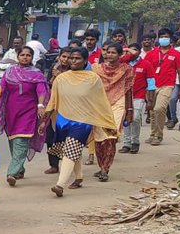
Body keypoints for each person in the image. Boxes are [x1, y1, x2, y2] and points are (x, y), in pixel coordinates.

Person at [43, 46, 119, 197]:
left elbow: (100, 101)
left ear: (85, 61)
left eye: (77, 58)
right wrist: (44, 121)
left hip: (83, 122)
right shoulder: (61, 78)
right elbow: (53, 101)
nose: (73, 61)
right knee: (71, 150)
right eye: (71, 58)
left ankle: (60, 185)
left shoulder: (92, 78)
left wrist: (107, 122)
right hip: (63, 120)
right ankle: (78, 177)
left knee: (71, 149)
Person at [0, 45, 48, 187]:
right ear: (17, 56)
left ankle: (11, 173)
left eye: (28, 55)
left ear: (32, 57)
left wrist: (40, 105)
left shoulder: (36, 74)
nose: (25, 57)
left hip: (29, 112)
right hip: (11, 112)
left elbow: (41, 90)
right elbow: (2, 90)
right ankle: (20, 168)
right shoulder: (10, 72)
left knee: (21, 140)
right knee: (13, 141)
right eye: (22, 55)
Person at [92, 41, 135, 182]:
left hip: (118, 103)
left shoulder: (126, 69)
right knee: (99, 139)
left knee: (111, 137)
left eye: (113, 52)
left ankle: (105, 169)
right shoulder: (96, 68)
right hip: (99, 104)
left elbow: (128, 90)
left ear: (120, 55)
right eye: (107, 52)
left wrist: (130, 110)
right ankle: (101, 166)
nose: (109, 55)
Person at [143, 27, 180, 146]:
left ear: (171, 39)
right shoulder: (151, 53)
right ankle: (152, 134)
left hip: (167, 85)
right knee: (152, 111)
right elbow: (146, 71)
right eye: (161, 37)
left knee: (159, 108)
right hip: (152, 85)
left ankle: (158, 135)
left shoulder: (176, 54)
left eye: (166, 37)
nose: (163, 39)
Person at [120, 42, 149, 154]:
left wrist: (150, 99)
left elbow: (150, 81)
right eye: (129, 51)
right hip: (124, 95)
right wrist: (126, 51)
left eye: (134, 50)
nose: (132, 53)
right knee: (125, 119)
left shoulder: (146, 64)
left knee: (135, 118)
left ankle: (135, 141)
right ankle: (127, 143)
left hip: (139, 95)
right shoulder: (123, 63)